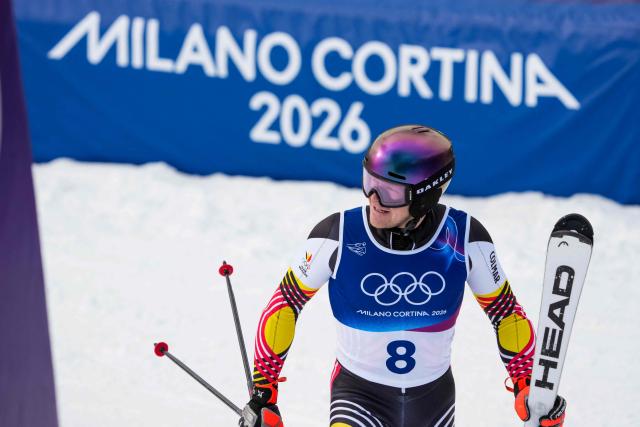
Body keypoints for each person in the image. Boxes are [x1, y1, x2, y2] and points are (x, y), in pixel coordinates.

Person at [238, 125, 567, 427]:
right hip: (358, 395)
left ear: (425, 195)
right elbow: (286, 303)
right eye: (370, 183)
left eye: (390, 192)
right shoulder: (336, 235)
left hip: (433, 401)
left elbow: (505, 313)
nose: (374, 201)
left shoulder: (463, 237)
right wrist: (264, 392)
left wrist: (527, 386)